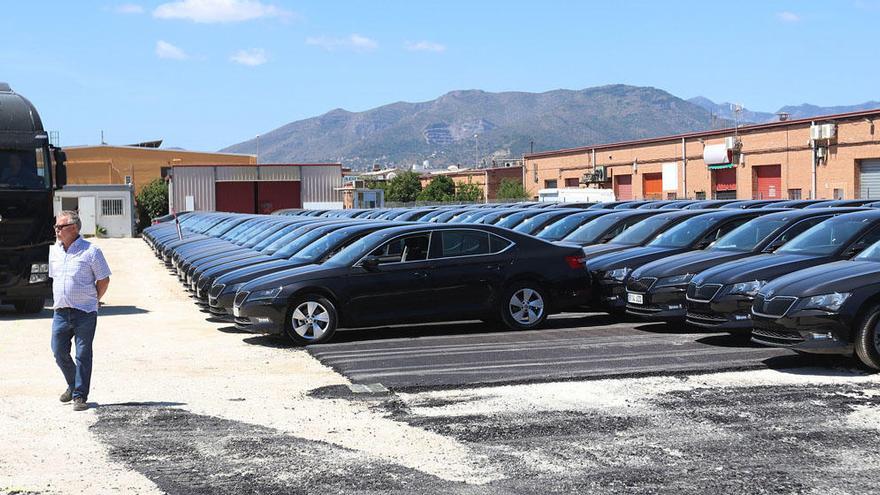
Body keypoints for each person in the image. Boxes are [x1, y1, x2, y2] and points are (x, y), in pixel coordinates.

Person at [48, 210, 111, 411]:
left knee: (83, 354)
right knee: (59, 352)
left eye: (61, 227)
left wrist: (94, 300)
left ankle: (79, 396)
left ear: (74, 228)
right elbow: (55, 279)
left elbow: (103, 279)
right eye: (56, 226)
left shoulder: (91, 251)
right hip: (60, 312)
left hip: (84, 312)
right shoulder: (54, 251)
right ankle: (74, 383)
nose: (57, 230)